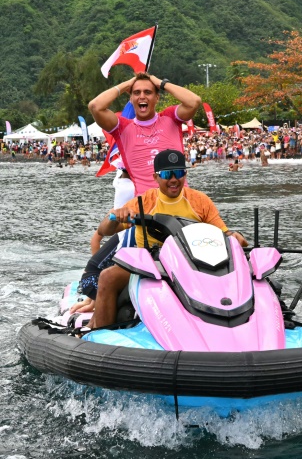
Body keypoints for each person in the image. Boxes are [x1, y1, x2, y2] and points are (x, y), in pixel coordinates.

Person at [80, 150, 248, 329]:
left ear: (185, 174)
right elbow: (103, 230)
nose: (174, 180)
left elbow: (224, 234)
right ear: (155, 177)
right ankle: (103, 334)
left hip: (192, 265)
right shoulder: (142, 202)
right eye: (167, 174)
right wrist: (114, 215)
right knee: (108, 276)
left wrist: (237, 238)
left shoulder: (201, 201)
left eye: (179, 173)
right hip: (150, 266)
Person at [88, 72, 202, 196]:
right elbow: (95, 106)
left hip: (181, 200)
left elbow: (194, 101)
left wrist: (161, 83)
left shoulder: (170, 117)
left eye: (148, 92)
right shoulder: (122, 127)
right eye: (136, 93)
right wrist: (127, 84)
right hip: (146, 206)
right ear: (131, 99)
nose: (142, 96)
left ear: (157, 98)